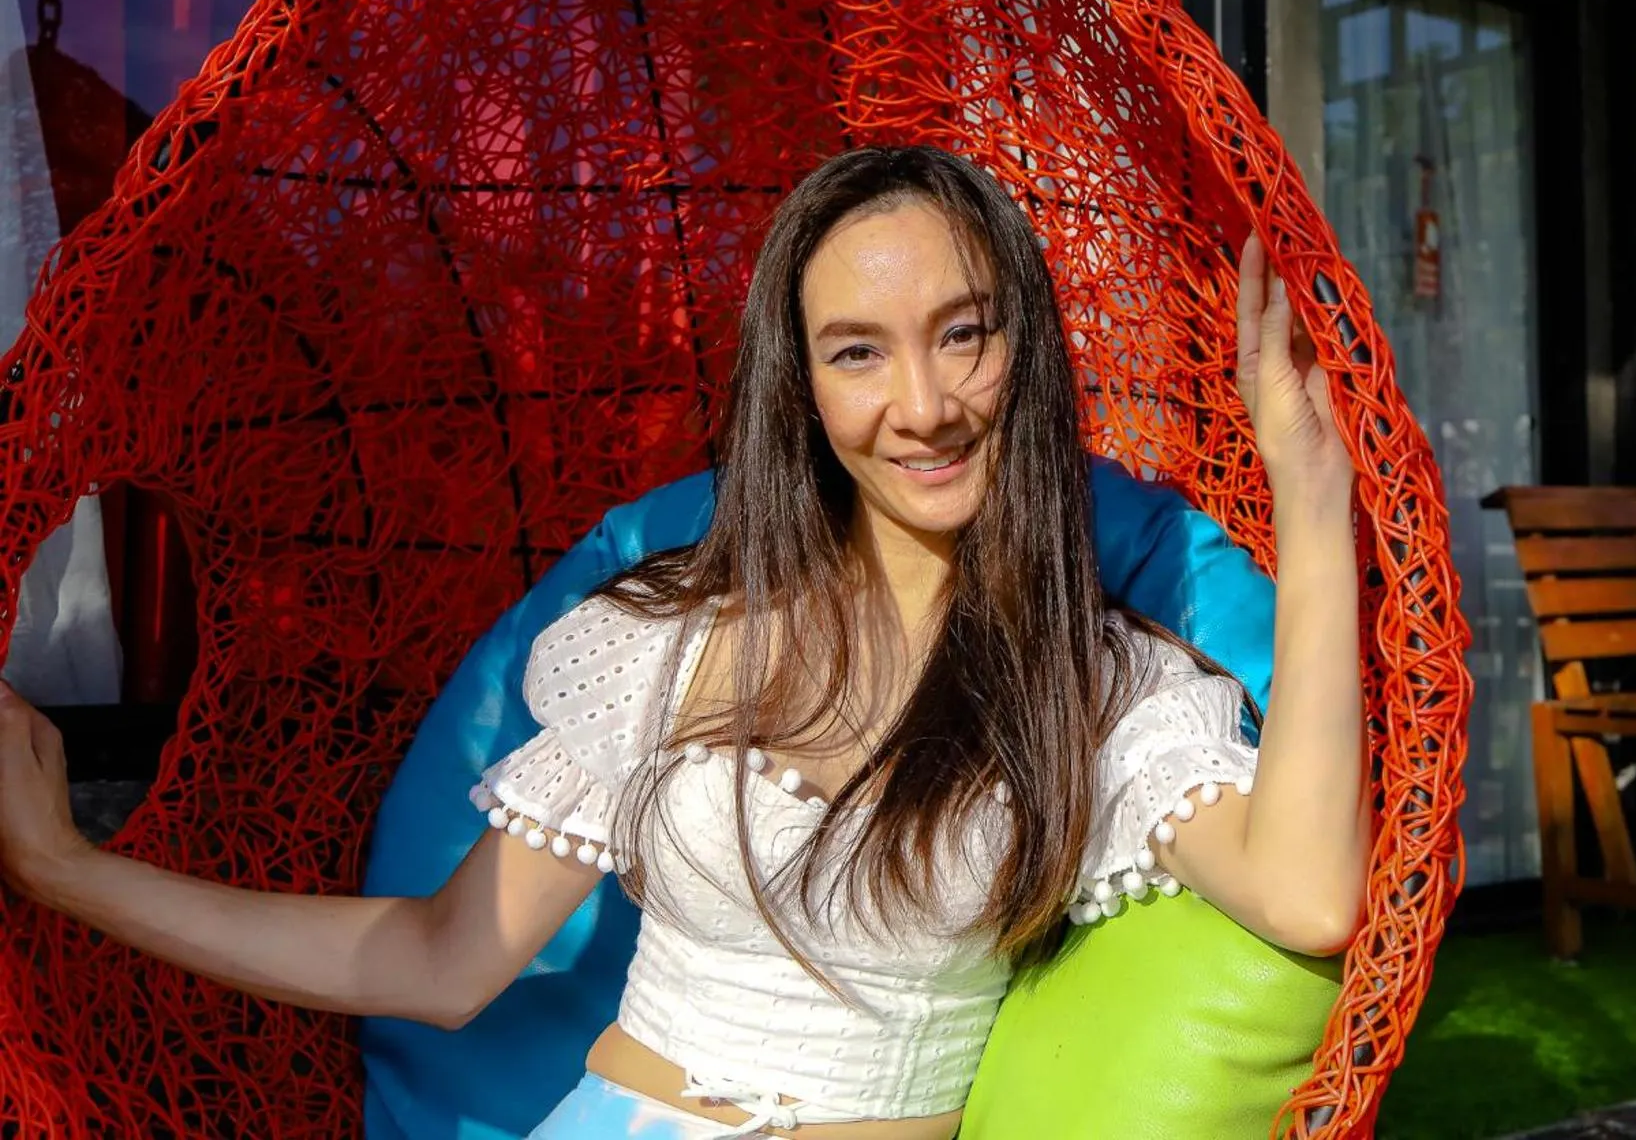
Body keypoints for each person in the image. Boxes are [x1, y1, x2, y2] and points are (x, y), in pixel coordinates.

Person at [0, 145, 1365, 1140]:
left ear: (1029, 351)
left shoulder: (1095, 686)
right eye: (857, 352)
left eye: (964, 335)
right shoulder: (676, 639)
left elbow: (1307, 899)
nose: (923, 404)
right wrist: (68, 870)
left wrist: (1309, 499)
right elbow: (436, 962)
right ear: (801, 387)